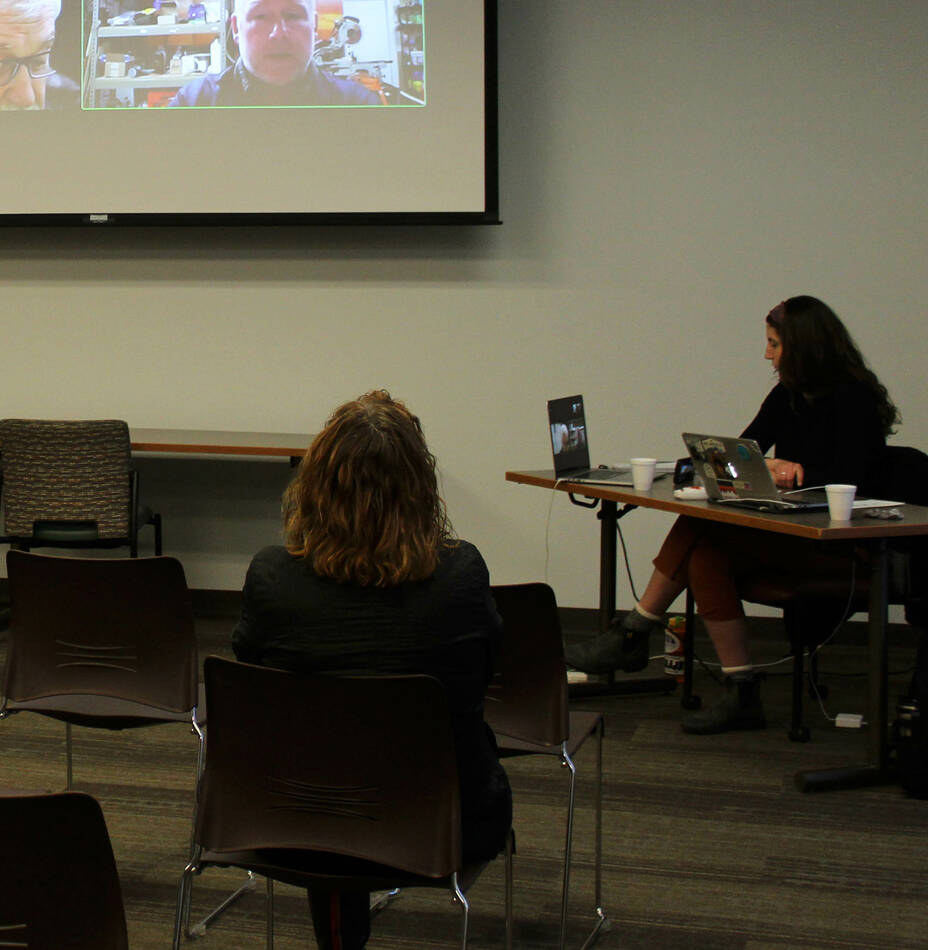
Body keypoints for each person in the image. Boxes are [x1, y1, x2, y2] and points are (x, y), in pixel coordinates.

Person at [232, 391, 510, 950]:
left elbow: (249, 672)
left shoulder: (272, 578)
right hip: (442, 821)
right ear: (421, 487)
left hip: (294, 818)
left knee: (328, 768)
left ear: (314, 486)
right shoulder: (461, 574)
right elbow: (488, 673)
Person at [567, 296, 899, 733]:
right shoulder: (789, 394)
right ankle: (740, 688)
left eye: (775, 344)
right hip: (791, 531)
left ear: (805, 346)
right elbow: (741, 451)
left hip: (841, 544)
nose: (768, 355)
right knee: (706, 554)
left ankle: (635, 630)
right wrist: (756, 465)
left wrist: (792, 473)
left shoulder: (854, 399)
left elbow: (853, 480)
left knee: (701, 526)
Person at [169, 0, 374, 107]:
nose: (278, 34)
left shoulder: (359, 107)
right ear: (236, 28)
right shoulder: (194, 104)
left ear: (314, 26)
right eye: (261, 17)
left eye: (293, 15)